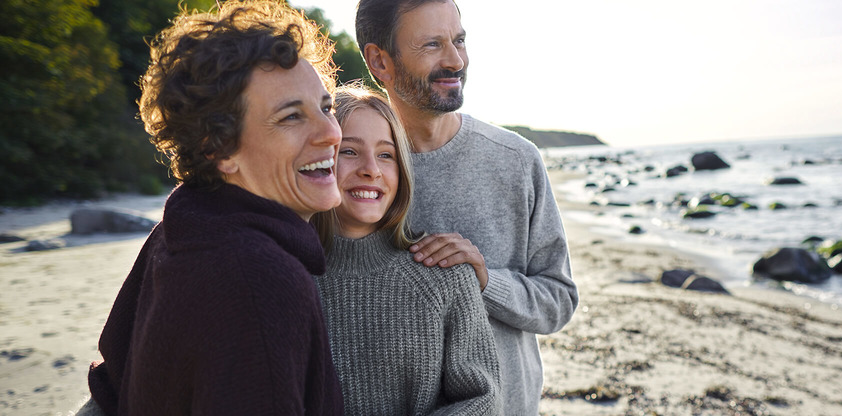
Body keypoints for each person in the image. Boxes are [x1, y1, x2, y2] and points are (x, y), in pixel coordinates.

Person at [82, 1, 345, 414]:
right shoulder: (261, 281)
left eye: (327, 107)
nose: (331, 132)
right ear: (219, 148)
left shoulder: (181, 229)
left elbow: (110, 382)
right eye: (292, 116)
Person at [355, 0, 579, 413]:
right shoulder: (356, 176)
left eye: (459, 40)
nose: (456, 60)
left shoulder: (516, 159)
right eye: (432, 45)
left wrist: (485, 282)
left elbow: (559, 301)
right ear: (380, 61)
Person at [310, 83, 502, 415]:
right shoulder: (288, 276)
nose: (371, 168)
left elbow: (483, 399)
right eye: (349, 151)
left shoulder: (445, 274)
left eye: (387, 154)